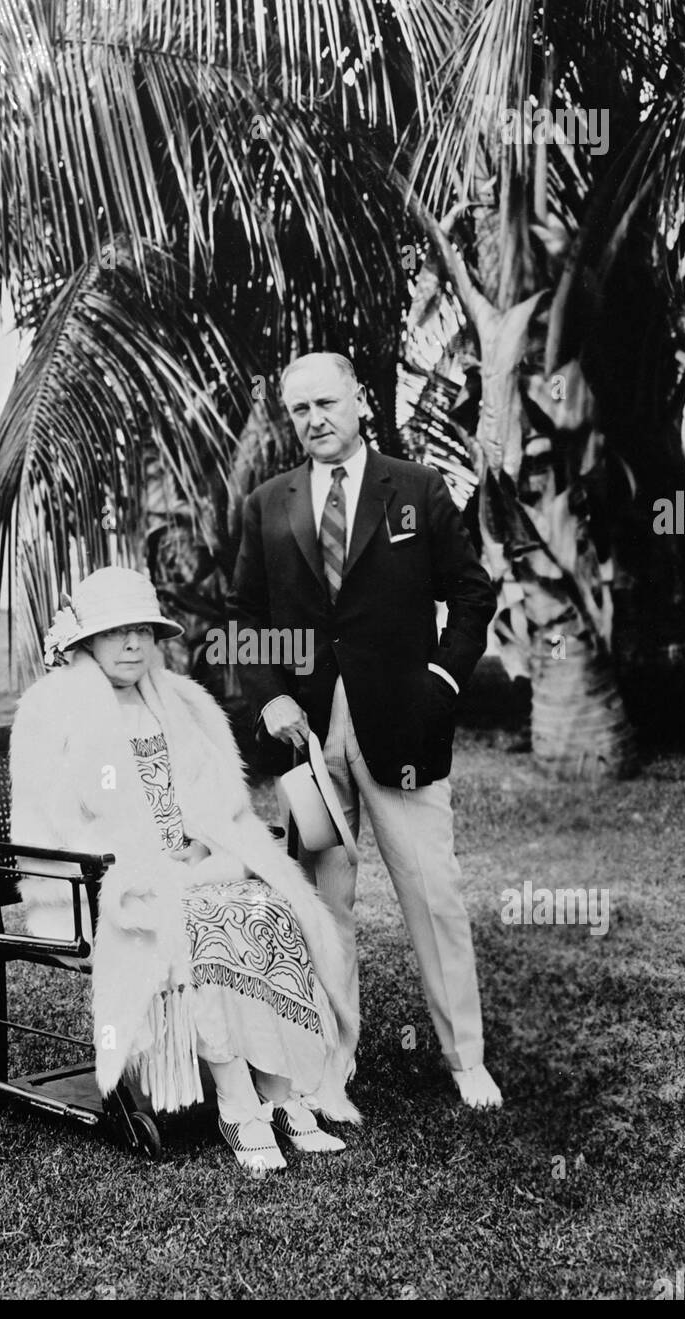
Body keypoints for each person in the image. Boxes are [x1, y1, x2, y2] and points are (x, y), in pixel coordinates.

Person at [9, 565, 360, 1174]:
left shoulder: (180, 703)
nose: (132, 645)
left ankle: (284, 1094)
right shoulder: (53, 709)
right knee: (203, 915)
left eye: (143, 631)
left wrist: (205, 847)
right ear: (85, 640)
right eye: (116, 632)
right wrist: (146, 864)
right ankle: (236, 1101)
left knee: (269, 904)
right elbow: (50, 827)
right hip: (110, 883)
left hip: (192, 867)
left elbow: (216, 802)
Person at [229, 351, 503, 1108]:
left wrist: (441, 683)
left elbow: (473, 595)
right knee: (323, 901)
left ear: (358, 400)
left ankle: (465, 1058)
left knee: (434, 894)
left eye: (327, 403)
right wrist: (269, 698)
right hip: (308, 746)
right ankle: (328, 1065)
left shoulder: (415, 488)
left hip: (403, 736)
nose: (315, 420)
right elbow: (246, 617)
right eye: (300, 410)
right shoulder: (268, 504)